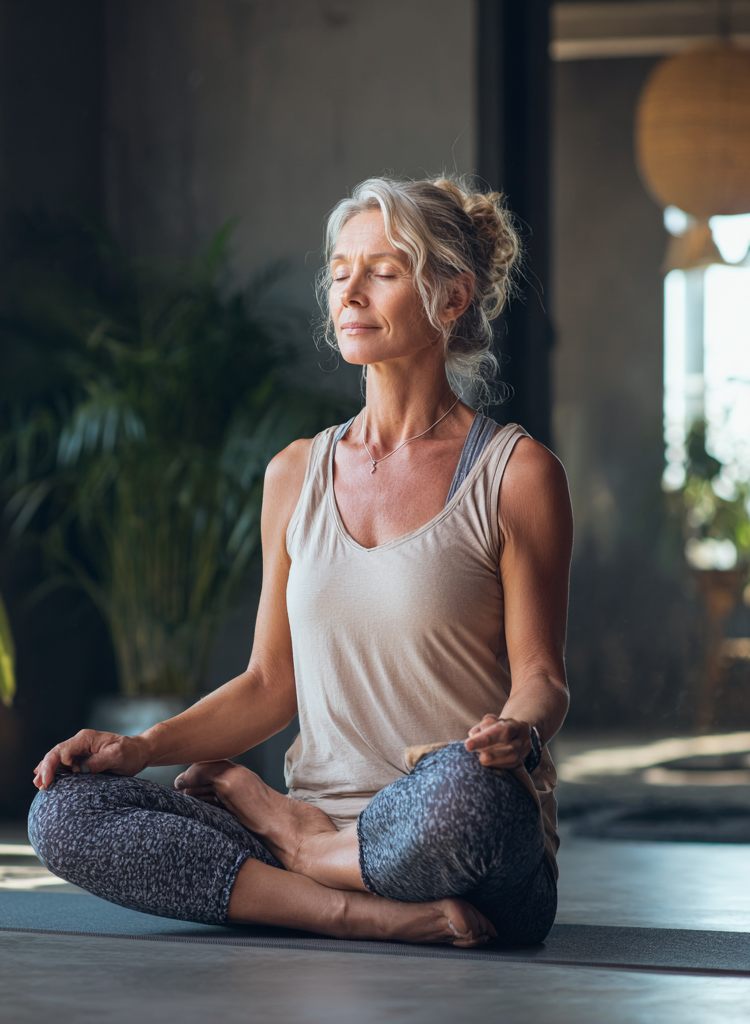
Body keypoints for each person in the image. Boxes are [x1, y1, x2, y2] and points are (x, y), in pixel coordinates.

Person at [28, 176, 572, 948]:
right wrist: (140, 749)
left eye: (382, 271)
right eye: (340, 270)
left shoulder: (516, 475)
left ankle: (304, 847)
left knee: (469, 796)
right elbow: (269, 683)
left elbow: (542, 678)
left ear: (452, 297)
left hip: (460, 842)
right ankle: (354, 908)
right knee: (66, 809)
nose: (349, 291)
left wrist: (518, 731)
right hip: (323, 819)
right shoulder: (294, 474)